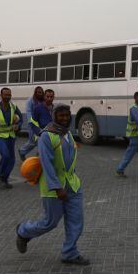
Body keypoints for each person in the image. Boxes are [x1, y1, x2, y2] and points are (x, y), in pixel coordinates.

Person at [15, 105, 90, 265]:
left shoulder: (68, 133)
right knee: (50, 222)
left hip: (73, 185)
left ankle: (69, 253)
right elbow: (47, 164)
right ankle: (23, 231)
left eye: (67, 115)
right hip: (54, 189)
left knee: (76, 221)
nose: (64, 118)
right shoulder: (46, 136)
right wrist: (57, 187)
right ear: (54, 116)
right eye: (61, 115)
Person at [18, 86, 46, 161]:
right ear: (35, 93)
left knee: (43, 141)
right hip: (32, 125)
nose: (40, 94)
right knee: (32, 142)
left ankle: (39, 157)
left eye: (41, 92)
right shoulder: (30, 101)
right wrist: (33, 124)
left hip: (42, 124)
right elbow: (29, 112)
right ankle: (22, 151)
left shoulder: (43, 101)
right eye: (38, 92)